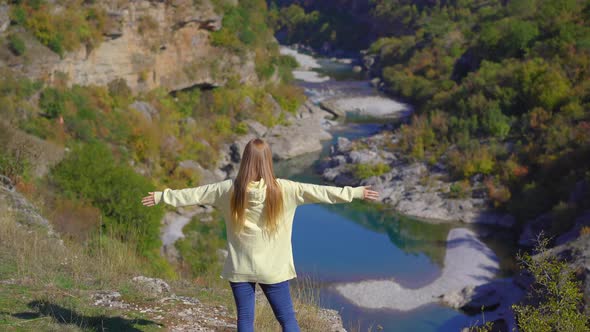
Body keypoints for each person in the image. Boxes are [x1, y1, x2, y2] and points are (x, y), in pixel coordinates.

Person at [142, 138, 379, 332]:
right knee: (287, 320)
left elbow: (194, 195)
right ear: (268, 161)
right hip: (273, 269)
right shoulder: (286, 189)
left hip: (240, 267)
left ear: (245, 160)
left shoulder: (228, 189)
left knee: (245, 320)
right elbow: (323, 192)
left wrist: (163, 196)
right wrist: (356, 192)